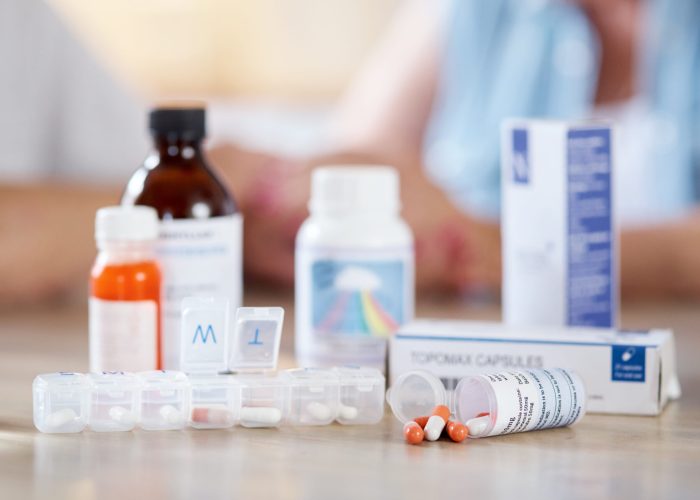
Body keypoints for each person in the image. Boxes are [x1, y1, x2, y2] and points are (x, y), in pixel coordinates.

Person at [1, 0, 699, 305]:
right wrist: (315, 194)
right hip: (474, 367)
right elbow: (357, 157)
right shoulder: (470, 10)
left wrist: (489, 242)